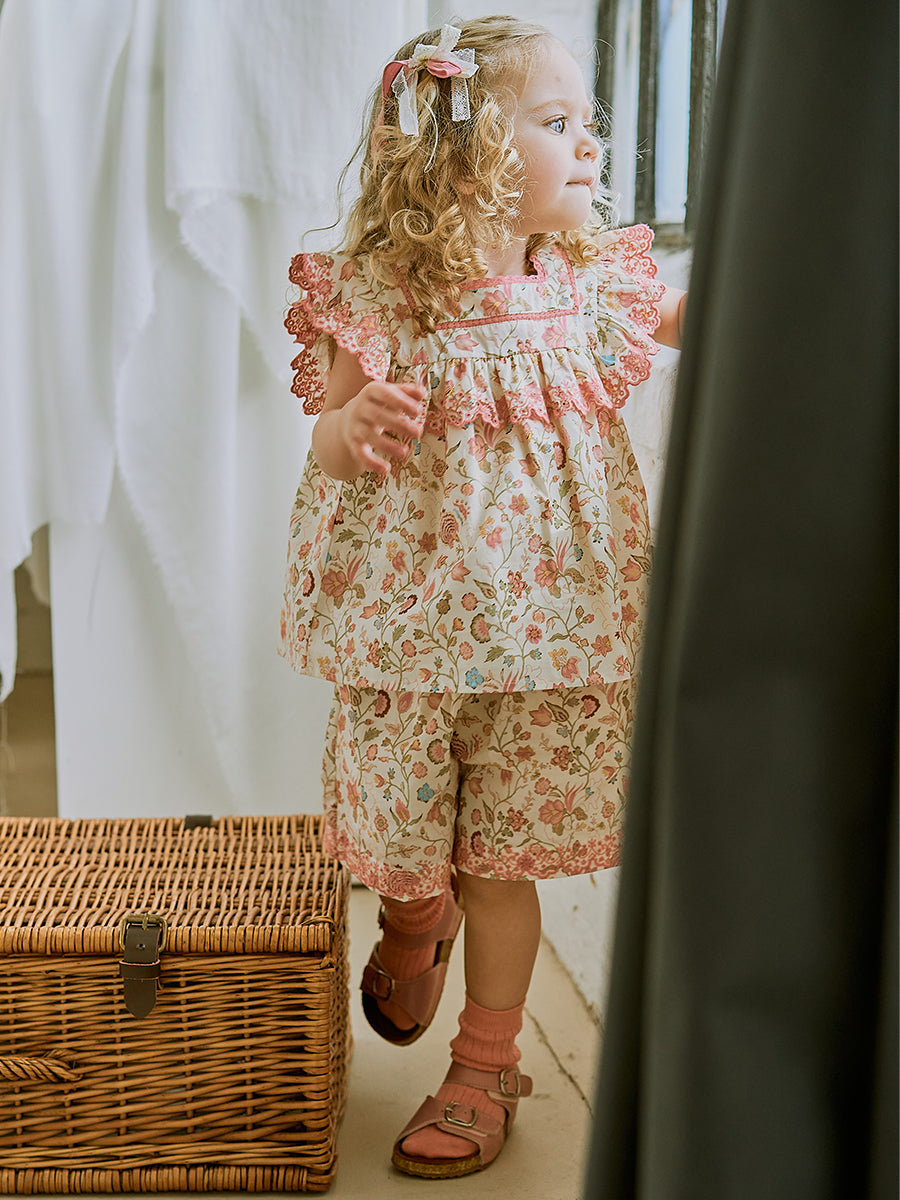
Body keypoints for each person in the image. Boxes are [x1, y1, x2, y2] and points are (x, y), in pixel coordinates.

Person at [279, 16, 684, 1180]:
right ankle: (416, 913)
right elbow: (328, 438)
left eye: (589, 124)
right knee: (401, 836)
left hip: (546, 639)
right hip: (411, 632)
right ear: (465, 162)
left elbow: (709, 320)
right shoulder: (384, 294)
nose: (591, 146)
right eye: (558, 123)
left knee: (498, 862)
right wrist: (353, 427)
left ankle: (485, 1065)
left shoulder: (590, 285)